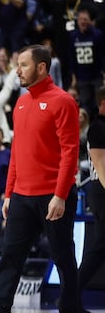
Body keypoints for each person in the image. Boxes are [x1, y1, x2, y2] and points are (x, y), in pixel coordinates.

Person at [0, 44, 81, 313]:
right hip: (21, 196)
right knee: (10, 257)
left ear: (41, 67)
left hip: (53, 196)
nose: (17, 71)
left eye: (24, 65)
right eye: (18, 65)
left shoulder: (63, 101)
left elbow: (70, 152)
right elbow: (17, 151)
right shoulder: (20, 102)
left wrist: (61, 195)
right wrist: (9, 193)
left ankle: (70, 308)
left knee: (63, 257)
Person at [81, 85, 105, 300]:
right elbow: (99, 164)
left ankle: (70, 294)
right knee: (99, 247)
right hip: (102, 188)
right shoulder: (97, 127)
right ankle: (71, 293)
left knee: (100, 247)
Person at [68, 5, 104, 114]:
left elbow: (102, 55)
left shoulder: (97, 35)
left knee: (99, 104)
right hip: (82, 78)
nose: (82, 22)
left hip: (96, 76)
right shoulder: (73, 36)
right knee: (85, 106)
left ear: (90, 21)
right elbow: (72, 58)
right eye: (80, 19)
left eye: (85, 19)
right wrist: (73, 76)